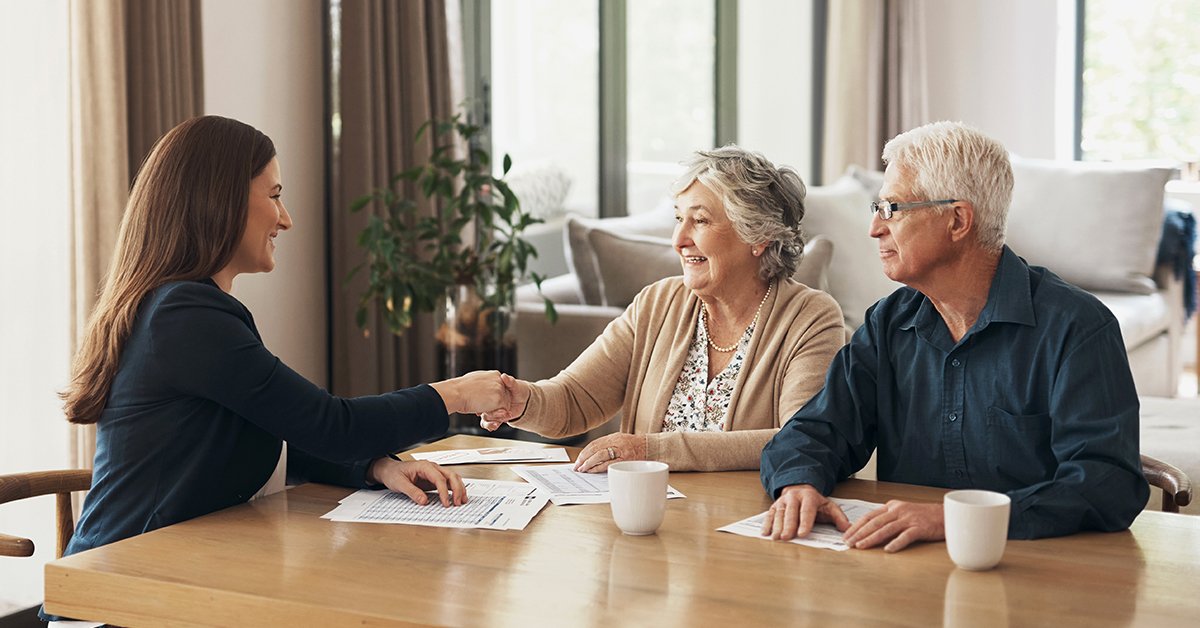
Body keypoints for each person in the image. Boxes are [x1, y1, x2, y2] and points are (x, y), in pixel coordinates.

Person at [56, 116, 510, 561]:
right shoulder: (184, 316)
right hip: (113, 592)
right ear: (221, 200)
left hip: (166, 571)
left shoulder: (180, 309)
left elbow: (276, 437)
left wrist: (377, 466)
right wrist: (454, 394)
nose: (286, 219)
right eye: (274, 196)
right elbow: (333, 426)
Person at [759, 121, 1148, 550]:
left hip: (1037, 572)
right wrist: (797, 484)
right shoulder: (888, 324)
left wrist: (954, 520)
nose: (874, 228)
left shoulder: (1077, 328)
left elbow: (1107, 484)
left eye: (891, 208)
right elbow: (816, 431)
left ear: (958, 220)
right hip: (907, 572)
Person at [481, 146, 845, 472]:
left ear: (758, 236)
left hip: (745, 522)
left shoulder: (810, 317)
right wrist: (522, 401)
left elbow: (801, 439)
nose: (679, 240)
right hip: (649, 518)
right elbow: (576, 399)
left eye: (700, 220)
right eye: (678, 218)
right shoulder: (657, 303)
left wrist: (651, 449)